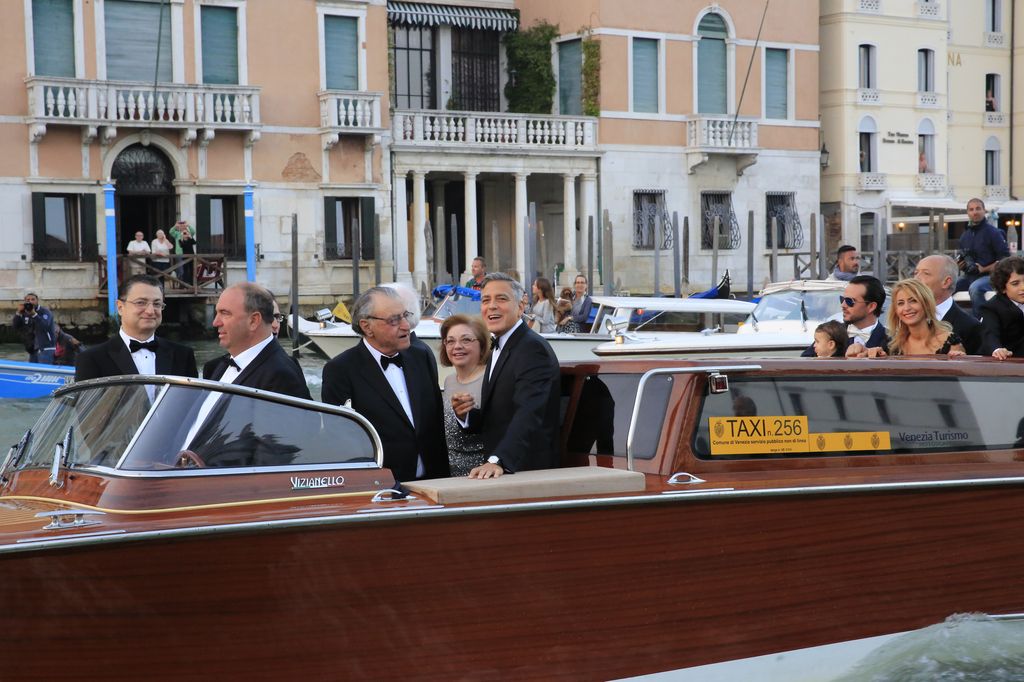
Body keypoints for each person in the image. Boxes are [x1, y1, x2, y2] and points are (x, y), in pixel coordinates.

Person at [321, 287, 449, 482]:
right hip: (380, 488)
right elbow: (341, 437)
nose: (406, 326)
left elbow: (435, 421)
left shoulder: (421, 356)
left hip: (434, 481)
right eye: (394, 320)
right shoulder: (340, 370)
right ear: (366, 326)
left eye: (405, 316)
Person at [451, 272, 560, 478]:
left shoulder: (532, 348)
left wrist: (498, 460)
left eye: (501, 299)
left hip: (528, 474)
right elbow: (499, 418)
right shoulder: (500, 346)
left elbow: (530, 412)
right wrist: (466, 415)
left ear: (521, 306)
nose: (491, 306)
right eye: (485, 300)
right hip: (503, 473)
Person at [74, 275, 197, 381]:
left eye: (157, 304)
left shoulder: (183, 355)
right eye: (141, 303)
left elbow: (193, 405)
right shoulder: (92, 359)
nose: (150, 311)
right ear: (120, 307)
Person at [203, 283, 311, 400]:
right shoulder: (215, 367)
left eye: (225, 313)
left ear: (254, 321)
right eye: (217, 313)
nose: (215, 322)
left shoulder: (281, 374)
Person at [439, 314, 489, 476]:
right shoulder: (449, 380)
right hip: (448, 474)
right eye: (450, 341)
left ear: (481, 345)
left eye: (466, 340)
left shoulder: (491, 379)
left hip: (481, 475)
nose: (457, 346)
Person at [866, 278, 964, 357]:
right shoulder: (891, 345)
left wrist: (959, 359)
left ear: (926, 304)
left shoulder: (950, 341)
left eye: (913, 301)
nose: (907, 308)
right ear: (895, 310)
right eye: (900, 303)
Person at [913, 254, 986, 354]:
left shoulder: (970, 327)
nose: (916, 279)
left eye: (926, 273)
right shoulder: (905, 318)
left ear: (946, 282)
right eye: (915, 273)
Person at [801, 275, 887, 357]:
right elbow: (804, 363)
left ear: (871, 306)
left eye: (849, 301)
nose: (843, 305)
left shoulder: (891, 341)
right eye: (842, 299)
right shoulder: (832, 332)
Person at [956, 197, 1009, 319]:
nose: (975, 212)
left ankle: (982, 324)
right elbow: (963, 258)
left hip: (991, 277)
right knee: (947, 286)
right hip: (969, 276)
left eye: (978, 208)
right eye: (971, 209)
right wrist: (960, 265)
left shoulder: (994, 233)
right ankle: (950, 323)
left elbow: (1005, 259)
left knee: (975, 288)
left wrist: (984, 269)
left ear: (984, 211)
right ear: (968, 213)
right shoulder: (965, 236)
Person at [980, 256, 1024, 360]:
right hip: (1010, 365)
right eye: (1015, 284)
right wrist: (997, 349)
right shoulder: (992, 308)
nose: (1023, 287)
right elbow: (989, 334)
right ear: (1003, 287)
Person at [12, 293, 60, 363]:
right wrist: (18, 313)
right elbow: (15, 326)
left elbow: (45, 326)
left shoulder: (45, 311)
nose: (30, 301)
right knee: (33, 372)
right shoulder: (25, 313)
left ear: (37, 301)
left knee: (44, 371)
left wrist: (34, 314)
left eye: (33, 299)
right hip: (32, 349)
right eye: (28, 300)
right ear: (25, 302)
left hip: (46, 349)